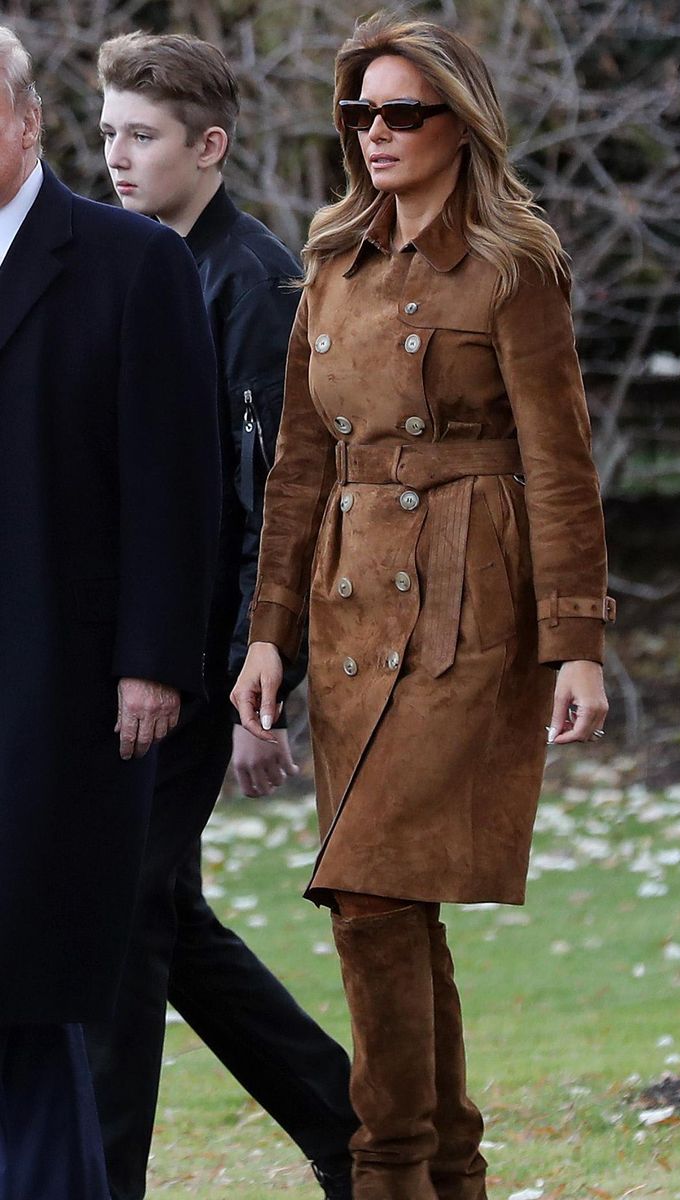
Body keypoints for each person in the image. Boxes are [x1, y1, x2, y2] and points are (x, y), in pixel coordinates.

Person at [231, 11, 615, 1200]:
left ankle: (390, 1173)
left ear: (462, 123)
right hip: (349, 618)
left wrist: (580, 647)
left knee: (374, 896)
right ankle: (446, 1173)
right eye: (360, 111)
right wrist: (266, 634)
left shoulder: (513, 264)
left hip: (467, 610)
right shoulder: (333, 260)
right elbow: (299, 466)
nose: (377, 132)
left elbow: (560, 461)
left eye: (404, 111)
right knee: (383, 900)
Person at [87, 33, 356, 1200]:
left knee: (133, 915)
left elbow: (276, 500)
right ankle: (357, 1131)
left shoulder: (249, 283)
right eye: (105, 132)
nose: (117, 157)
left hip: (197, 666)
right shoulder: (138, 264)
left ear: (210, 145)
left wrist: (264, 682)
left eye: (141, 136)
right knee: (159, 912)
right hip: (126, 653)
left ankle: (105, 1175)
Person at [0, 25, 220, 1200]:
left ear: (29, 122)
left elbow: (175, 484)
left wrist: (154, 661)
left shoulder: (132, 262)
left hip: (66, 687)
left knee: (34, 969)